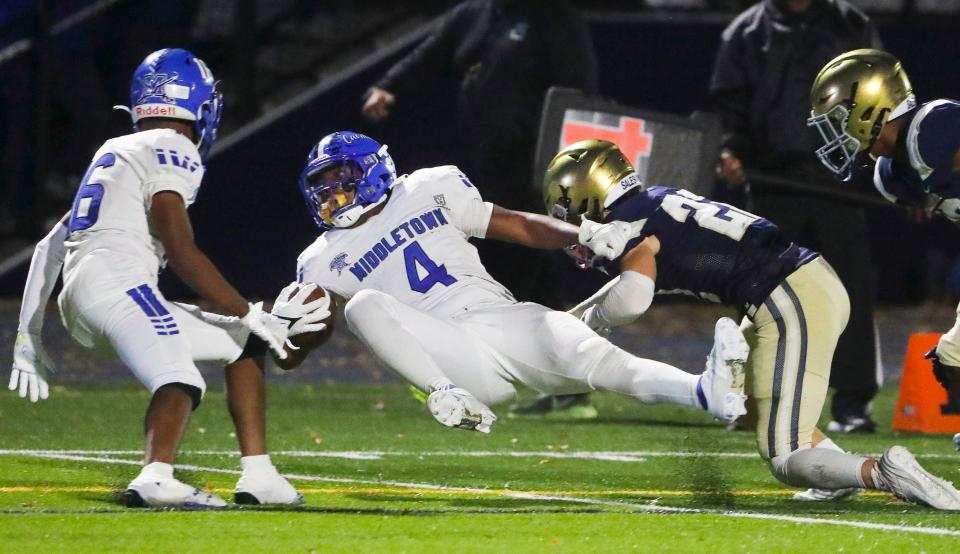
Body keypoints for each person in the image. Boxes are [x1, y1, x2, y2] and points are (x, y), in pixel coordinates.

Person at [542, 138, 960, 510]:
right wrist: (570, 320)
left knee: (784, 456)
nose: (574, 227)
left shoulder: (628, 225)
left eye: (569, 212)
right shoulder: (653, 202)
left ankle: (885, 471)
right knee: (741, 400)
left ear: (589, 196)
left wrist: (584, 321)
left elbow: (631, 300)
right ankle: (835, 476)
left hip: (787, 296)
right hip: (795, 285)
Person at [7, 48, 329, 508]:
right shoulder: (172, 146)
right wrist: (250, 310)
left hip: (84, 295)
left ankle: (260, 476)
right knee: (181, 375)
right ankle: (155, 477)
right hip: (118, 284)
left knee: (242, 341)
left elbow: (48, 246)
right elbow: (180, 249)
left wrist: (29, 334)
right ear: (198, 104)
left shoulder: (115, 149)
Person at [284, 130, 749, 435]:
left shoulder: (429, 186)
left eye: (340, 179)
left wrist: (582, 232)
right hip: (448, 357)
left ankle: (705, 392)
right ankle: (443, 394)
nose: (331, 194)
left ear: (372, 169)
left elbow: (519, 225)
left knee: (601, 360)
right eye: (323, 185)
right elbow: (297, 348)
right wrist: (290, 334)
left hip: (499, 317)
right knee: (364, 304)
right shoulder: (321, 258)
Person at [710, 0, 883, 433]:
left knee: (848, 294)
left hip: (839, 182)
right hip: (772, 182)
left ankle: (852, 402)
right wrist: (731, 151)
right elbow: (731, 106)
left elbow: (884, 99)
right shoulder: (746, 31)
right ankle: (755, 399)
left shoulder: (852, 24)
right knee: (762, 296)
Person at [361, 0, 597, 305]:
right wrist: (388, 85)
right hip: (480, 153)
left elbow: (580, 88)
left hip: (529, 158)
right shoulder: (474, 13)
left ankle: (504, 316)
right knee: (515, 251)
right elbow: (432, 52)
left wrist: (565, 159)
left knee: (513, 241)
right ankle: (548, 324)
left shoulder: (553, 15)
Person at [807, 48, 960, 414]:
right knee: (952, 357)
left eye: (840, 117)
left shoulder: (933, 128)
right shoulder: (893, 176)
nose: (838, 129)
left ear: (869, 107)